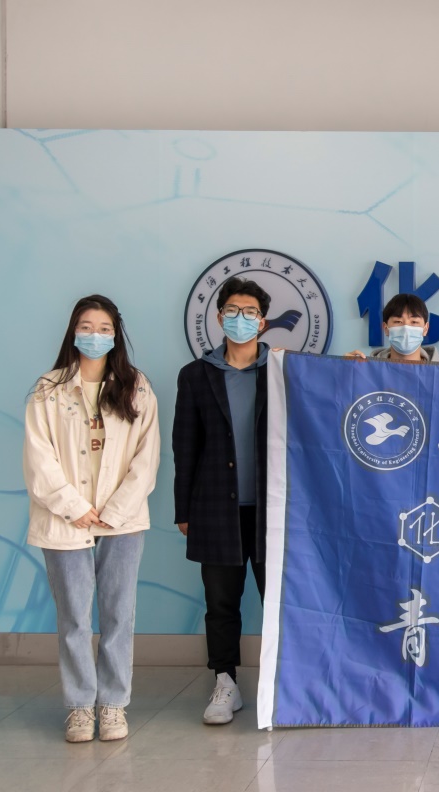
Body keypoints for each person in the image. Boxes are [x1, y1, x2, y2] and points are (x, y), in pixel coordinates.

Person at [24, 295, 160, 742]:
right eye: (86, 326)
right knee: (74, 619)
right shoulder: (49, 389)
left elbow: (147, 458)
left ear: (116, 335)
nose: (95, 335)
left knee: (119, 615)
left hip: (122, 521)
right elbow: (39, 456)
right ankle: (81, 707)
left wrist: (115, 511)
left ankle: (113, 705)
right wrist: (74, 507)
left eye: (104, 328)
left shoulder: (137, 387)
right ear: (73, 331)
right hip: (66, 519)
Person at [174, 277, 272, 725]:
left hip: (273, 510)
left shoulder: (282, 371)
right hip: (215, 507)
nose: (241, 318)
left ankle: (281, 681)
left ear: (262, 321)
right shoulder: (196, 375)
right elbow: (185, 446)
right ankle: (225, 682)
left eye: (250, 312)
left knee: (278, 601)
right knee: (221, 603)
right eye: (232, 310)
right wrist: (183, 510)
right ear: (219, 317)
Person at [345, 293, 439, 366]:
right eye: (398, 322)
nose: (406, 328)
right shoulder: (366, 372)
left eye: (414, 322)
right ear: (386, 328)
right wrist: (342, 370)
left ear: (425, 329)